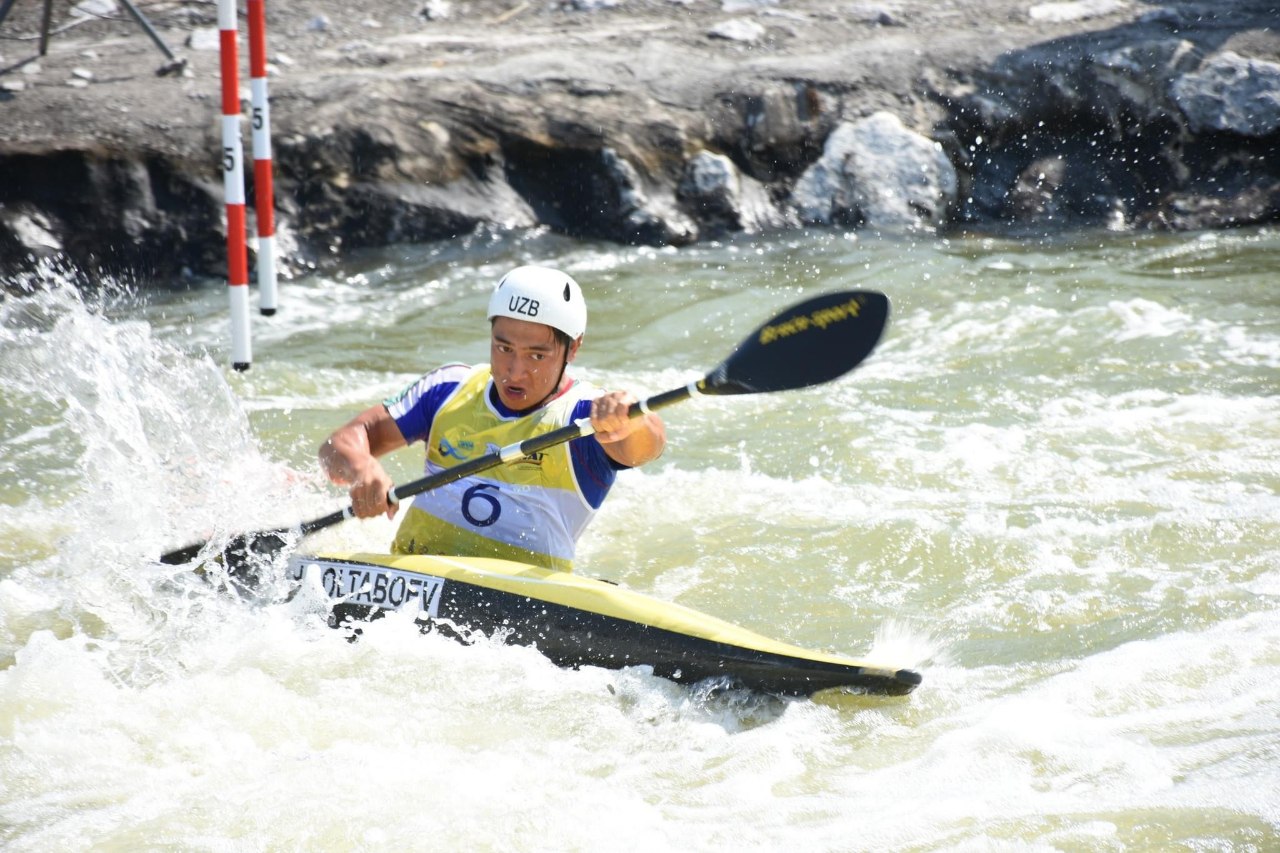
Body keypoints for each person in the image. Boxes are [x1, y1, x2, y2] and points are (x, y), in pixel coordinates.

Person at [318, 265, 666, 572]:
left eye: (536, 355)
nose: (515, 372)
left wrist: (632, 417)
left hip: (522, 607)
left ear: (573, 348)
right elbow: (339, 444)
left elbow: (647, 447)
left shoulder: (584, 416)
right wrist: (361, 469)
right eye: (504, 348)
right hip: (414, 579)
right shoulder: (449, 389)